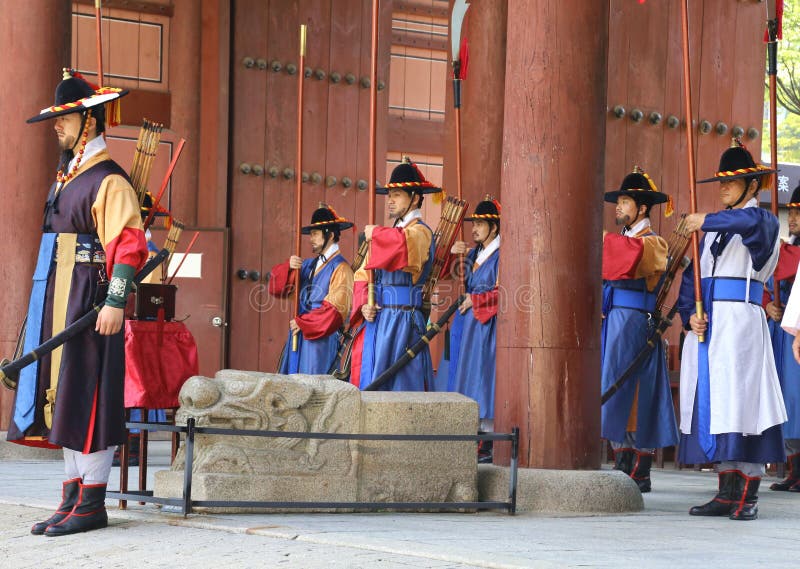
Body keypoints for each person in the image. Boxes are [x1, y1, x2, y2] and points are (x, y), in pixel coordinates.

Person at [7, 69, 148, 536]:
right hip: (58, 293)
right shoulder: (68, 177)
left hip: (89, 295)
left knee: (89, 393)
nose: (57, 127)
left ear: (89, 121)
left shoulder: (109, 180)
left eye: (65, 118)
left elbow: (128, 244)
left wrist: (114, 302)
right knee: (65, 395)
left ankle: (93, 500)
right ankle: (71, 495)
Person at [678, 139, 786, 521]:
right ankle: (726, 489)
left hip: (741, 321)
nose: (722, 188)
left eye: (732, 181)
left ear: (752, 186)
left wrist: (703, 219)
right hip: (710, 325)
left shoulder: (763, 221)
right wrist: (689, 313)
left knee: (742, 403)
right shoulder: (710, 230)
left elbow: (747, 222)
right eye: (720, 182)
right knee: (715, 404)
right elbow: (692, 277)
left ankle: (749, 493)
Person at [600, 166, 678, 492]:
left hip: (634, 319)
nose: (618, 207)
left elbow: (625, 260)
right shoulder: (622, 239)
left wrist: (600, 240)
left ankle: (639, 468)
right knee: (614, 385)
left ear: (642, 208)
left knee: (632, 388)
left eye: (625, 201)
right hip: (615, 317)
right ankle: (622, 460)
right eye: (618, 201)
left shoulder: (652, 242)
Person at [351, 157, 439, 390]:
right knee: (373, 382)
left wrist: (375, 233)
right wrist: (364, 305)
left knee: (401, 387)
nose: (390, 201)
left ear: (416, 198)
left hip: (403, 321)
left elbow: (403, 247)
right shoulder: (388, 235)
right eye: (390, 195)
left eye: (397, 195)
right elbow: (362, 274)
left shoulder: (420, 232)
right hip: (379, 318)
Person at [269, 204, 354, 374]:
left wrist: (305, 323)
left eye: (315, 234)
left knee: (314, 385)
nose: (311, 238)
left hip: (320, 338)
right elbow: (277, 288)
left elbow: (335, 312)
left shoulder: (341, 268)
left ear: (329, 234)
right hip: (300, 332)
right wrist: (289, 267)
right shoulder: (308, 265)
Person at [446, 197, 501, 462]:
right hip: (469, 320)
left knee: (484, 377)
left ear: (494, 228)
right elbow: (456, 278)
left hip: (486, 322)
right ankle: (473, 435)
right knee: (467, 375)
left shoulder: (503, 255)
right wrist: (456, 255)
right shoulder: (472, 253)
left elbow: (503, 292)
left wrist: (477, 300)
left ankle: (486, 441)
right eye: (475, 223)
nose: (475, 228)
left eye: (481, 223)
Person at [765, 184, 800, 491]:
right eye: (793, 212)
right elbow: (767, 278)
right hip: (782, 327)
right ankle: (793, 467)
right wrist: (768, 303)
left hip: (797, 328)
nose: (793, 218)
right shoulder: (788, 247)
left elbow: (785, 265)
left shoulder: (790, 251)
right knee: (785, 398)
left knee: (796, 396)